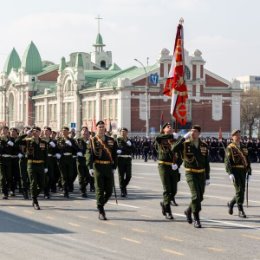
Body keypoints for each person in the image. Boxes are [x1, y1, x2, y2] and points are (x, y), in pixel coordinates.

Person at [173, 125, 210, 228]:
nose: (193, 133)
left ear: (199, 133)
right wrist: (183, 138)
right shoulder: (185, 143)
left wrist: (207, 176)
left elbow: (206, 162)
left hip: (201, 173)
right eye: (191, 131)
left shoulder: (204, 145)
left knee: (200, 197)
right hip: (191, 173)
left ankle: (188, 210)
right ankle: (196, 218)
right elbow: (174, 148)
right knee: (195, 196)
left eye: (195, 131)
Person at [86, 120, 117, 220]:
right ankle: (101, 210)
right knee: (100, 189)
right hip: (98, 167)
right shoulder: (93, 140)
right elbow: (89, 155)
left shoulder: (111, 140)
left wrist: (114, 167)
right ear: (96, 128)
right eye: (99, 127)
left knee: (109, 191)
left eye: (103, 127)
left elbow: (115, 155)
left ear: (105, 128)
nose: (101, 128)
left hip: (108, 167)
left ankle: (100, 205)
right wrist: (90, 167)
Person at [155, 122, 183, 220]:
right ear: (163, 130)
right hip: (163, 166)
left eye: (171, 127)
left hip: (173, 167)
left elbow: (180, 155)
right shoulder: (160, 138)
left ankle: (164, 203)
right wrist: (171, 135)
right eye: (168, 127)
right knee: (167, 189)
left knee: (174, 190)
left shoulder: (176, 140)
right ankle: (168, 211)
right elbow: (157, 138)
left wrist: (178, 164)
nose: (170, 127)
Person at [16, 126, 48, 210]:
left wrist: (46, 166)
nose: (35, 132)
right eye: (34, 131)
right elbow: (16, 142)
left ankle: (33, 196)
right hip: (31, 165)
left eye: (37, 131)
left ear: (40, 132)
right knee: (33, 183)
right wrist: (25, 134)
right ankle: (35, 201)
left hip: (40, 165)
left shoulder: (43, 142)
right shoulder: (27, 141)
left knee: (42, 185)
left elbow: (45, 155)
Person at [225, 129, 251, 218]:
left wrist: (249, 171)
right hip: (235, 171)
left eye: (239, 135)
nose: (238, 137)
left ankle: (231, 203)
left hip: (243, 171)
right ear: (232, 137)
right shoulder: (230, 147)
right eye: (236, 136)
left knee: (242, 191)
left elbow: (248, 160)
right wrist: (230, 173)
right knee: (239, 190)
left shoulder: (244, 147)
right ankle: (240, 210)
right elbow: (227, 161)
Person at [116, 127, 133, 197]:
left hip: (128, 159)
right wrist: (117, 151)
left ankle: (123, 186)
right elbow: (114, 148)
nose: (123, 133)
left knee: (129, 176)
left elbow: (134, 150)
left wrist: (131, 145)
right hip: (121, 159)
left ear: (127, 133)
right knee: (121, 176)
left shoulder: (129, 140)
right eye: (122, 131)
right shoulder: (117, 140)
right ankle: (123, 190)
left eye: (124, 131)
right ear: (120, 133)